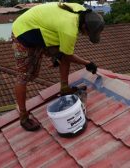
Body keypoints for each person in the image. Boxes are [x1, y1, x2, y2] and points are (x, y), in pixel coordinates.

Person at [11, 2, 104, 131]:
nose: (86, 36)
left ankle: (64, 88)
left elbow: (65, 54)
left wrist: (58, 55)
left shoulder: (83, 12)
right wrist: (87, 63)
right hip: (24, 33)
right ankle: (23, 116)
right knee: (23, 76)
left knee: (63, 55)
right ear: (84, 26)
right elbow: (68, 56)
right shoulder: (69, 29)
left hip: (43, 29)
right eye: (88, 33)